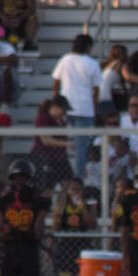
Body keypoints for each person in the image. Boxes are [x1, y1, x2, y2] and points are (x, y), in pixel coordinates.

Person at [51, 33, 102, 178]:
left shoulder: (65, 59)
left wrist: (55, 102)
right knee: (81, 147)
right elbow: (96, 90)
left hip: (64, 109)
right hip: (84, 109)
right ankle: (78, 178)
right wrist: (95, 109)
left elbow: (56, 83)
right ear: (88, 47)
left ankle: (64, 176)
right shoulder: (92, 63)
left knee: (60, 142)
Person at [51, 176, 98, 276]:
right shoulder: (62, 204)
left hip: (81, 245)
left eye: (78, 190)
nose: (75, 193)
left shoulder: (88, 204)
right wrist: (59, 212)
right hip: (66, 245)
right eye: (72, 190)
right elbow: (55, 227)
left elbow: (92, 225)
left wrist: (83, 207)